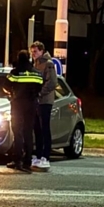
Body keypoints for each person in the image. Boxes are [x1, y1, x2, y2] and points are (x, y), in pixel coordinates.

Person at [3, 50, 43, 174]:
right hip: (31, 105)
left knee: (17, 132)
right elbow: (40, 86)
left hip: (17, 105)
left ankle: (17, 160)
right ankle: (28, 161)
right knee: (28, 132)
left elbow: (5, 87)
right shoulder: (37, 74)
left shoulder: (14, 73)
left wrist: (12, 94)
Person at [30, 41, 58, 172]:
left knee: (44, 128)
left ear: (41, 51)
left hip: (45, 101)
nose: (33, 54)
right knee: (37, 129)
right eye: (32, 52)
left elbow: (52, 82)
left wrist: (40, 93)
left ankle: (46, 156)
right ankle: (39, 155)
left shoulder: (48, 64)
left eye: (35, 51)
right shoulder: (35, 63)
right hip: (37, 101)